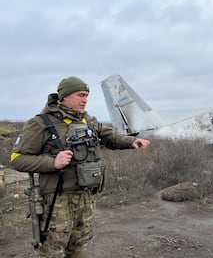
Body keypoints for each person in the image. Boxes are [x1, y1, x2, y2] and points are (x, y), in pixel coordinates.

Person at [10, 76, 150, 257]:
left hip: (86, 197)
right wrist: (52, 162)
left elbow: (110, 137)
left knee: (79, 245)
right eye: (80, 95)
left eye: (87, 96)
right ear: (65, 96)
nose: (85, 100)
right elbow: (17, 159)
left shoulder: (87, 120)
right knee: (52, 249)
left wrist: (131, 141)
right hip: (57, 199)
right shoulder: (40, 123)